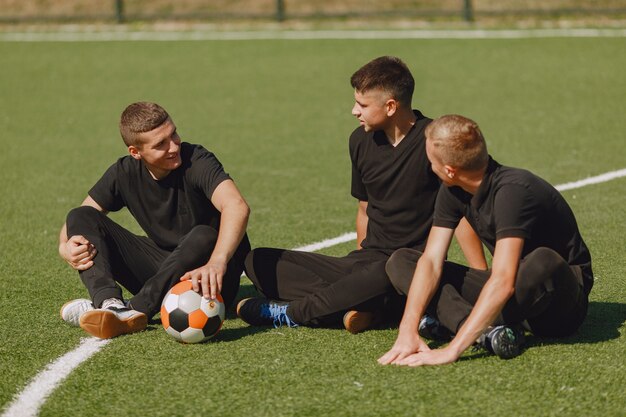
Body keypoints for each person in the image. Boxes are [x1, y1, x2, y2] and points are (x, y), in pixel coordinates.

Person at [238, 57, 486, 333]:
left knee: (385, 272)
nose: (354, 111)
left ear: (391, 106)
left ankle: (295, 313)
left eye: (363, 105)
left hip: (405, 266)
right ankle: (367, 304)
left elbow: (460, 215)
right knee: (257, 261)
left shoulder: (433, 143)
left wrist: (481, 278)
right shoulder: (359, 141)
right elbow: (364, 209)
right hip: (366, 262)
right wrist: (357, 274)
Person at [379, 114, 593, 366]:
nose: (429, 166)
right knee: (402, 261)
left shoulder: (513, 192)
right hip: (508, 294)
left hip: (557, 304)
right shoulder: (452, 190)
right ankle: (486, 333)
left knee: (543, 260)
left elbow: (503, 281)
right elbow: (431, 261)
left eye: (430, 161)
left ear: (450, 169)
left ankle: (458, 326)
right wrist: (408, 329)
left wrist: (451, 351)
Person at [58, 102, 251, 339]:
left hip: (211, 276)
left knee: (204, 234)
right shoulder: (124, 172)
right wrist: (64, 246)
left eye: (174, 134)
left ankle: (133, 310)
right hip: (163, 269)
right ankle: (110, 304)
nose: (173, 146)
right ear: (135, 152)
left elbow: (237, 206)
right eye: (161, 144)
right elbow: (81, 216)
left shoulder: (196, 159)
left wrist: (218, 261)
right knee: (80, 216)